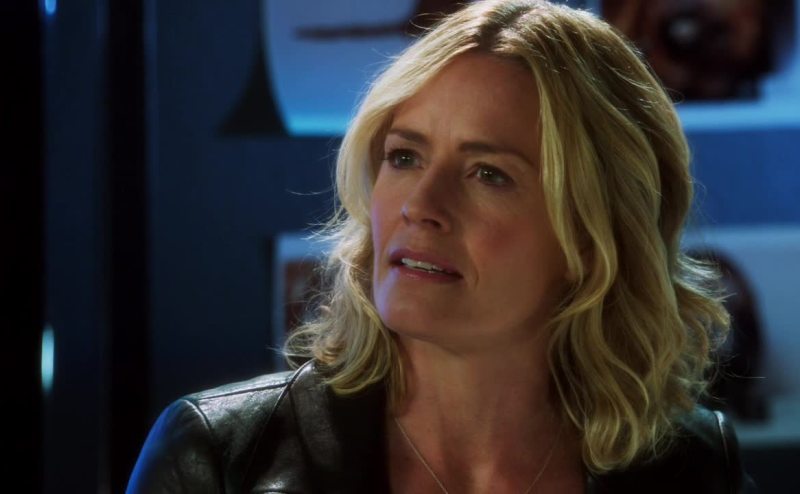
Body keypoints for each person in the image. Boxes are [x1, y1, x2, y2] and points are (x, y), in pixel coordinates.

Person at [127, 1, 756, 492]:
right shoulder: (220, 458)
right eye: (404, 157)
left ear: (592, 238)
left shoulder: (691, 469)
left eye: (488, 173)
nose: (420, 206)